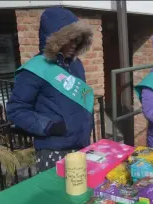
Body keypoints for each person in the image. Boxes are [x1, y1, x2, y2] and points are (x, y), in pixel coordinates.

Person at [6, 7, 94, 173]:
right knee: (55, 198)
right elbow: (16, 111)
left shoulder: (76, 65)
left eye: (77, 39)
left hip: (81, 144)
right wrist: (48, 126)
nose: (74, 45)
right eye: (69, 39)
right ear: (56, 39)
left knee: (81, 196)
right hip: (54, 150)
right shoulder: (34, 70)